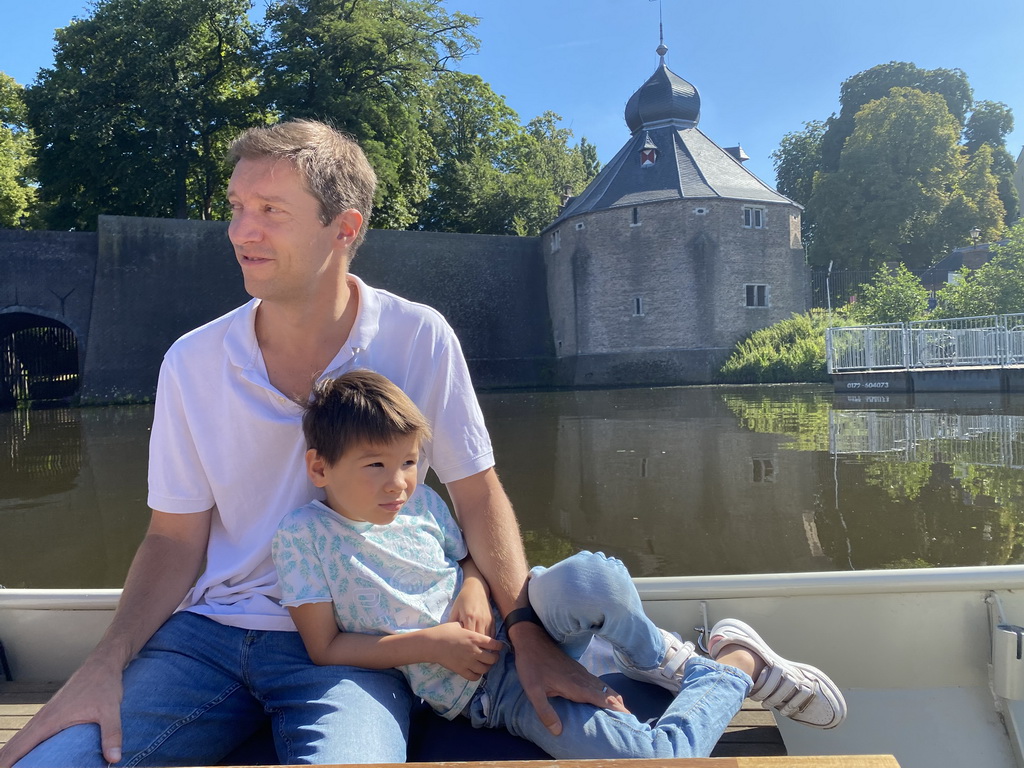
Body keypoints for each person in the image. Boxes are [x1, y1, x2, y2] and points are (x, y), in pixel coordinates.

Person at [1, 119, 612, 768]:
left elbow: (475, 494)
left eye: (271, 211)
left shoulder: (418, 337)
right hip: (206, 637)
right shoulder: (192, 361)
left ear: (343, 229)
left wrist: (525, 630)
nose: (240, 231)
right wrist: (102, 664)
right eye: (237, 208)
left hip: (353, 641)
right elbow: (172, 540)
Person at [272, 369, 847, 760]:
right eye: (376, 465)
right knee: (651, 760)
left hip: (525, 620)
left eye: (408, 462)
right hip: (489, 692)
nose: (399, 482)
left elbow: (467, 557)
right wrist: (432, 645)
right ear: (320, 468)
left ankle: (659, 658)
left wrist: (474, 585)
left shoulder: (421, 502)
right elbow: (325, 646)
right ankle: (733, 665)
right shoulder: (303, 538)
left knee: (594, 578)